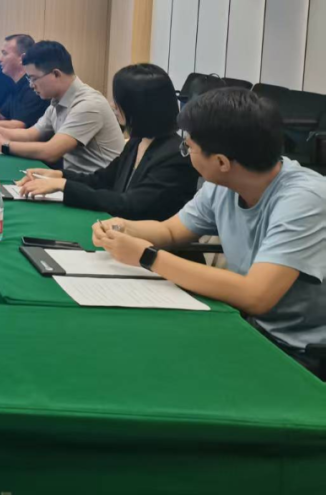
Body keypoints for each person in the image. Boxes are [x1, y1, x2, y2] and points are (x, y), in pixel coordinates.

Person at [93, 89, 326, 379]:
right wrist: (123, 228)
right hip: (250, 327)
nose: (185, 153)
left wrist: (147, 257)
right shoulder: (223, 183)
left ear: (222, 162)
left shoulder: (305, 199)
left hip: (301, 351)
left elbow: (256, 295)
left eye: (188, 147)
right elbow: (171, 231)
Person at [17, 63, 199, 220]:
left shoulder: (175, 155)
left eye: (118, 101)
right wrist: (58, 176)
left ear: (138, 106)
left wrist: (64, 186)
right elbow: (101, 180)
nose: (113, 105)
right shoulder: (137, 142)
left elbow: (130, 204)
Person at [0, 40, 124, 173]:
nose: (31, 85)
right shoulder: (57, 101)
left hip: (98, 188)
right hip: (74, 180)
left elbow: (51, 152)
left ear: (56, 74)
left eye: (34, 78)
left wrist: (3, 145)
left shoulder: (89, 104)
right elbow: (30, 135)